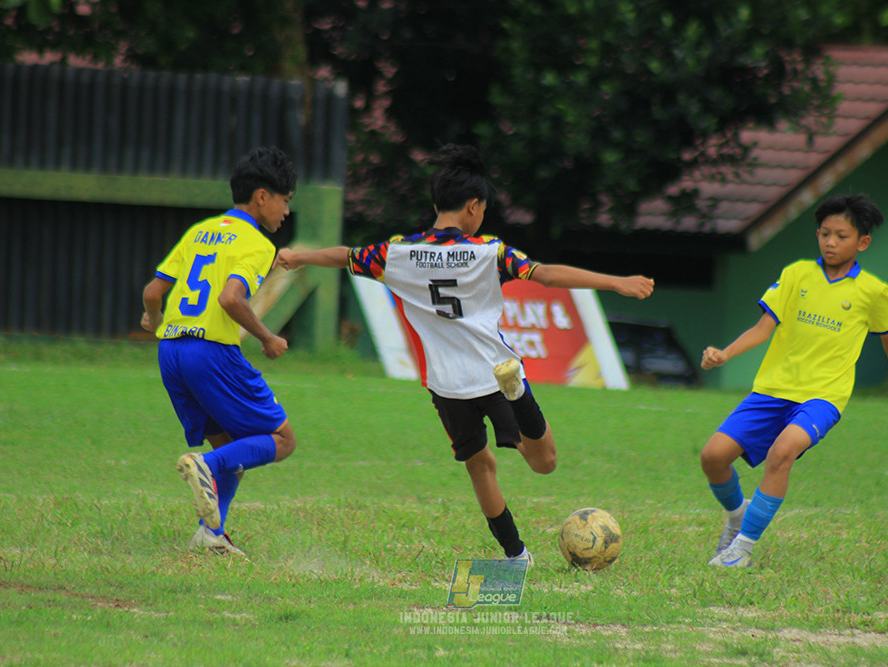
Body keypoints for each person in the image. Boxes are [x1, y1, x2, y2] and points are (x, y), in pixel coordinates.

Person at [273, 144, 654, 562]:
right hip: (495, 370)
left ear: (438, 203)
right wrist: (616, 282)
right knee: (544, 462)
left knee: (480, 467)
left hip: (447, 385)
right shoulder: (488, 250)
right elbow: (544, 275)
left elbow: (344, 256)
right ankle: (517, 398)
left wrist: (297, 257)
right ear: (473, 206)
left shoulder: (397, 253)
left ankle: (515, 554)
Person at [699, 193, 888, 568]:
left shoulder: (872, 291)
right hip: (772, 389)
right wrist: (725, 353)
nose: (830, 242)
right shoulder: (796, 275)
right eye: (824, 233)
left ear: (862, 242)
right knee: (712, 457)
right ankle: (737, 515)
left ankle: (742, 548)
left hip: (823, 397)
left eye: (841, 235)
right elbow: (763, 328)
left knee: (783, 451)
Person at [141, 145, 299, 556]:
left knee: (232, 447)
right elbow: (231, 298)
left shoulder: (200, 231)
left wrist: (152, 319)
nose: (286, 211)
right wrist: (267, 337)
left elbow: (153, 291)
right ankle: (204, 468)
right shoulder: (257, 243)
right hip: (210, 353)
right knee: (281, 440)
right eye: (285, 200)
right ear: (262, 196)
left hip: (171, 352)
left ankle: (210, 535)